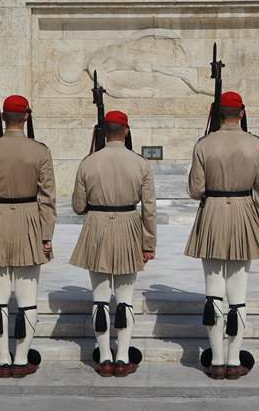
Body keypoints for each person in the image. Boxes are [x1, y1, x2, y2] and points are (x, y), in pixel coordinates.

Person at [185, 92, 259, 380]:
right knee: (238, 297)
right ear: (241, 113)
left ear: (217, 114)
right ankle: (234, 361)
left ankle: (216, 360)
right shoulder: (256, 144)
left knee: (213, 295)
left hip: (213, 215)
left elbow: (195, 191)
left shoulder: (204, 144)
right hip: (245, 216)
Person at [0, 95, 56, 379]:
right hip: (29, 220)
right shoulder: (40, 151)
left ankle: (3, 360)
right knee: (27, 298)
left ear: (2, 118)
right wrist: (46, 234)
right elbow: (47, 197)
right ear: (26, 117)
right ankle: (21, 360)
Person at [69, 111, 157, 378]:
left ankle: (104, 357)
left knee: (99, 298)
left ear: (104, 133)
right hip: (129, 225)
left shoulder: (88, 162)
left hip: (96, 226)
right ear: (126, 131)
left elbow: (77, 206)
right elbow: (149, 209)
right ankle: (122, 357)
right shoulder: (140, 163)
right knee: (125, 300)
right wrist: (149, 241)